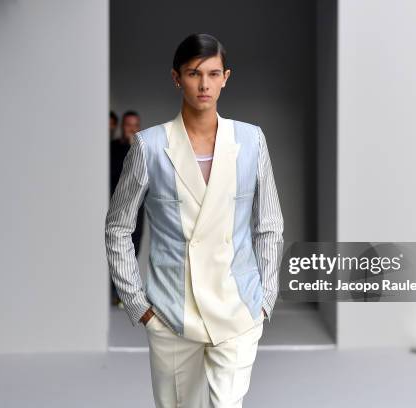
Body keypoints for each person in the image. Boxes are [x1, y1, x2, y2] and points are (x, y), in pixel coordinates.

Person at [105, 33, 284, 407]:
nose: (204, 84)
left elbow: (268, 224)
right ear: (176, 78)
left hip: (238, 306)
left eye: (213, 74)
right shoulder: (149, 146)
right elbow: (118, 227)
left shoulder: (251, 141)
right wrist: (138, 304)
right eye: (193, 73)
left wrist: (265, 297)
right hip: (172, 311)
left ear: (226, 77)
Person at [109, 110, 144, 307]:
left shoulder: (143, 148)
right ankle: (115, 294)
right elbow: (113, 176)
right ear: (123, 126)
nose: (132, 128)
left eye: (135, 125)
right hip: (115, 207)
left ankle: (123, 294)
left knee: (134, 249)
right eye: (128, 124)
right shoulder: (113, 149)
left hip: (137, 208)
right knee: (116, 248)